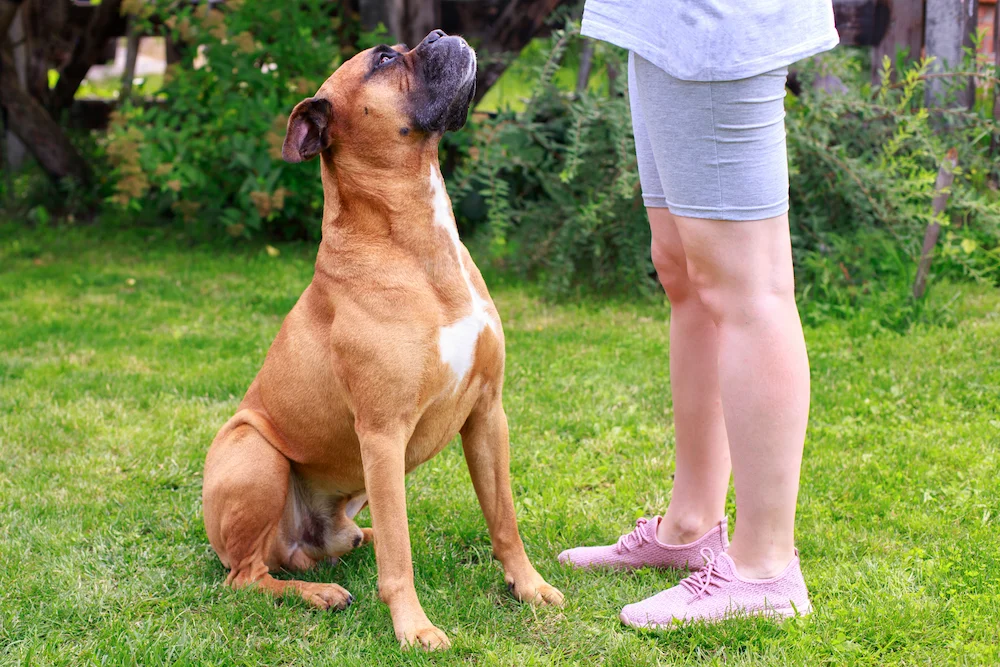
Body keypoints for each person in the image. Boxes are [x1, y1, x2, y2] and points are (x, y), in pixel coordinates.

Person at [557, 1, 840, 628]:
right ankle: (689, 526)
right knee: (682, 270)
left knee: (747, 287)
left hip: (718, 22)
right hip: (660, 22)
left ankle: (765, 568)